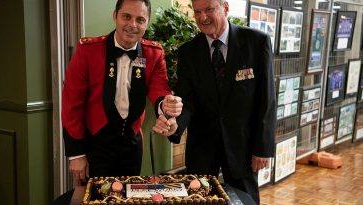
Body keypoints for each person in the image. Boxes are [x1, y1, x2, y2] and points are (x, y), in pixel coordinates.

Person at [153, 0, 276, 204]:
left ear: (225, 8)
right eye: (197, 12)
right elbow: (187, 101)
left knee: (245, 201)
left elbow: (267, 99)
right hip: (202, 149)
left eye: (209, 9)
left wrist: (262, 147)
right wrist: (174, 125)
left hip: (242, 147)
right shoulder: (188, 52)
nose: (203, 17)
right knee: (198, 200)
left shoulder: (256, 42)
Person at [61, 0, 182, 181]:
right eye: (127, 16)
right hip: (95, 143)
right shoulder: (88, 50)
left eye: (140, 20)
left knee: (128, 196)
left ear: (147, 23)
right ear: (115, 16)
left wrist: (167, 108)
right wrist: (77, 153)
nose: (133, 25)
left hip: (132, 144)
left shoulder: (154, 54)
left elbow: (159, 91)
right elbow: (72, 103)